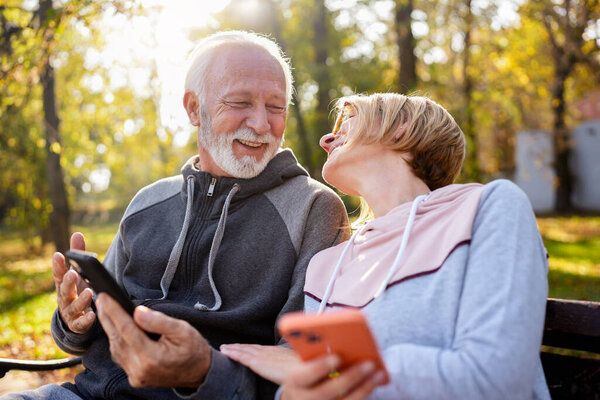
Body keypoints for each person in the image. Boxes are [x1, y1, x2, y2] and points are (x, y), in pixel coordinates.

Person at [3, 31, 349, 400]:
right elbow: (80, 338)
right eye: (240, 102)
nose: (262, 124)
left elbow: (308, 367)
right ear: (193, 109)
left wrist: (204, 372)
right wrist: (73, 319)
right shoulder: (147, 203)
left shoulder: (314, 209)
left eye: (276, 107)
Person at [221, 93, 551, 399]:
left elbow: (496, 378)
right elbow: (302, 387)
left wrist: (338, 377)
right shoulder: (326, 265)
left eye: (346, 118)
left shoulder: (488, 207)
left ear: (399, 130)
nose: (326, 139)